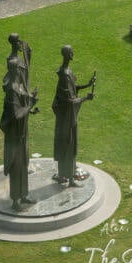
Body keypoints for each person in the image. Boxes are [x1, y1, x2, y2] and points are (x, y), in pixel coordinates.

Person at [0, 33, 39, 209]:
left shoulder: (18, 88)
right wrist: (30, 105)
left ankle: (24, 194)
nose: (22, 72)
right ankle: (16, 199)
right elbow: (16, 114)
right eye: (20, 70)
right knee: (17, 165)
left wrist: (30, 107)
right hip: (15, 136)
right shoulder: (11, 91)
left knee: (24, 163)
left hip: (21, 132)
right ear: (14, 70)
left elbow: (23, 105)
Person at [51, 45, 95, 186]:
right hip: (66, 119)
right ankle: (67, 178)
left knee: (70, 146)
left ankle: (68, 177)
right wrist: (85, 99)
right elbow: (69, 101)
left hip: (69, 118)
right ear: (66, 54)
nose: (73, 54)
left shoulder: (68, 71)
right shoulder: (64, 74)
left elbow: (73, 89)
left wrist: (87, 85)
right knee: (67, 146)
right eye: (71, 52)